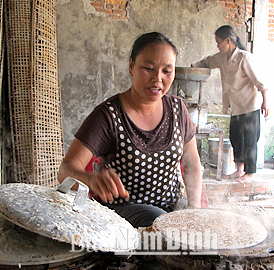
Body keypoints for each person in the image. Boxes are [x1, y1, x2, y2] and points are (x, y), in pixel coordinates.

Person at [58, 32, 203, 228]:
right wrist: (90, 179)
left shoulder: (178, 109)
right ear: (131, 66)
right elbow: (65, 170)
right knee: (159, 220)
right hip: (122, 216)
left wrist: (194, 208)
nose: (157, 79)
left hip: (170, 210)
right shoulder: (108, 116)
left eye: (167, 71)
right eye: (149, 68)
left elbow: (192, 161)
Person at [192, 25, 269, 182]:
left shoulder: (244, 57)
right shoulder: (221, 58)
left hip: (250, 105)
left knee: (250, 140)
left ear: (228, 41)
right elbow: (206, 62)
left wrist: (266, 103)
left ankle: (250, 173)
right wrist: (192, 68)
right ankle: (239, 169)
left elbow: (260, 82)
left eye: (219, 42)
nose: (217, 45)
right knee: (235, 138)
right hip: (235, 106)